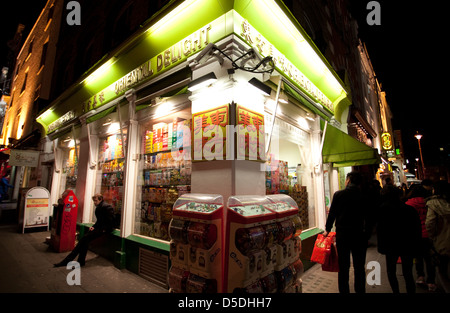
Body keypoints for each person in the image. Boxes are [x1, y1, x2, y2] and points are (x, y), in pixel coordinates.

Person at [323, 171, 368, 293]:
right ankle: (360, 290)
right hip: (359, 234)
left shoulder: (339, 194)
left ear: (348, 180)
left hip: (343, 234)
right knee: (359, 267)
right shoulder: (364, 196)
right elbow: (369, 217)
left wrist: (327, 229)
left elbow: (332, 214)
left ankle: (344, 291)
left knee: (343, 267)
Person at [377, 185, 422, 293]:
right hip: (407, 244)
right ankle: (410, 291)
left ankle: (396, 291)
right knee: (408, 272)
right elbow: (416, 228)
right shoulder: (409, 209)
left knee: (391, 271)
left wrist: (382, 246)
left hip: (390, 245)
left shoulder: (383, 209)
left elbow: (381, 230)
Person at [54, 193, 115, 267]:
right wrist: (94, 226)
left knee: (84, 240)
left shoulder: (106, 207)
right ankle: (79, 261)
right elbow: (100, 220)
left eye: (96, 201)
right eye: (94, 201)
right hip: (100, 228)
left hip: (104, 230)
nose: (94, 203)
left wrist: (103, 229)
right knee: (84, 241)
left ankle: (69, 260)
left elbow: (111, 221)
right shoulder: (101, 206)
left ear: (100, 199)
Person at [405, 184, 436, 291]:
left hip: (415, 235)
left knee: (418, 257)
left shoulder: (408, 204)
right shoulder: (429, 203)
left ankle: (420, 276)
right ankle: (431, 281)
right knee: (429, 259)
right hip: (428, 235)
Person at [425, 181, 450, 287]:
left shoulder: (434, 204)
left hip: (442, 241)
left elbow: (430, 224)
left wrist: (432, 237)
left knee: (442, 270)